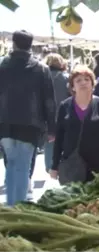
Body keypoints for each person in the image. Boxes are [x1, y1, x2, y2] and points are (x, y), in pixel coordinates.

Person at [0, 30, 56, 206]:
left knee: (11, 163)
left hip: (5, 122)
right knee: (24, 165)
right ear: (31, 45)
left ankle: (12, 204)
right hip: (30, 124)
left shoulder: (2, 66)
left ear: (13, 44)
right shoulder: (41, 69)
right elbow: (49, 101)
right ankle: (19, 206)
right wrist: (51, 127)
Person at [50, 65, 99, 182]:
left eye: (87, 79)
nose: (83, 83)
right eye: (78, 80)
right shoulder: (64, 106)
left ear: (92, 85)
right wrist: (54, 165)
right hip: (72, 166)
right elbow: (59, 139)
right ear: (72, 87)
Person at [43, 53, 70, 172]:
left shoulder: (43, 77)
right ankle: (62, 164)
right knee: (64, 140)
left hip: (46, 114)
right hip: (63, 113)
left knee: (49, 142)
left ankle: (49, 166)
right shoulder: (65, 78)